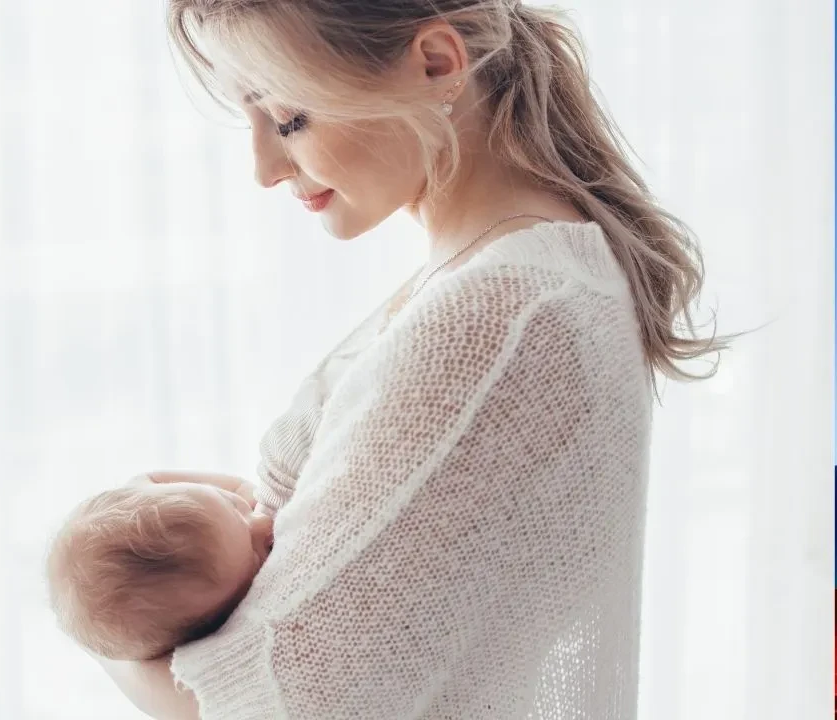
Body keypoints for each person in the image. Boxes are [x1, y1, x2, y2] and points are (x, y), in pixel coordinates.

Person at [95, 1, 729, 718]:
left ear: (436, 64)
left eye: (288, 118)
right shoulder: (506, 272)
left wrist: (102, 613)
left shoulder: (503, 315)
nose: (264, 169)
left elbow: (285, 704)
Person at [45, 471, 274, 662]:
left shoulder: (151, 486)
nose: (265, 523)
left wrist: (245, 492)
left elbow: (148, 480)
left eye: (232, 504)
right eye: (255, 556)